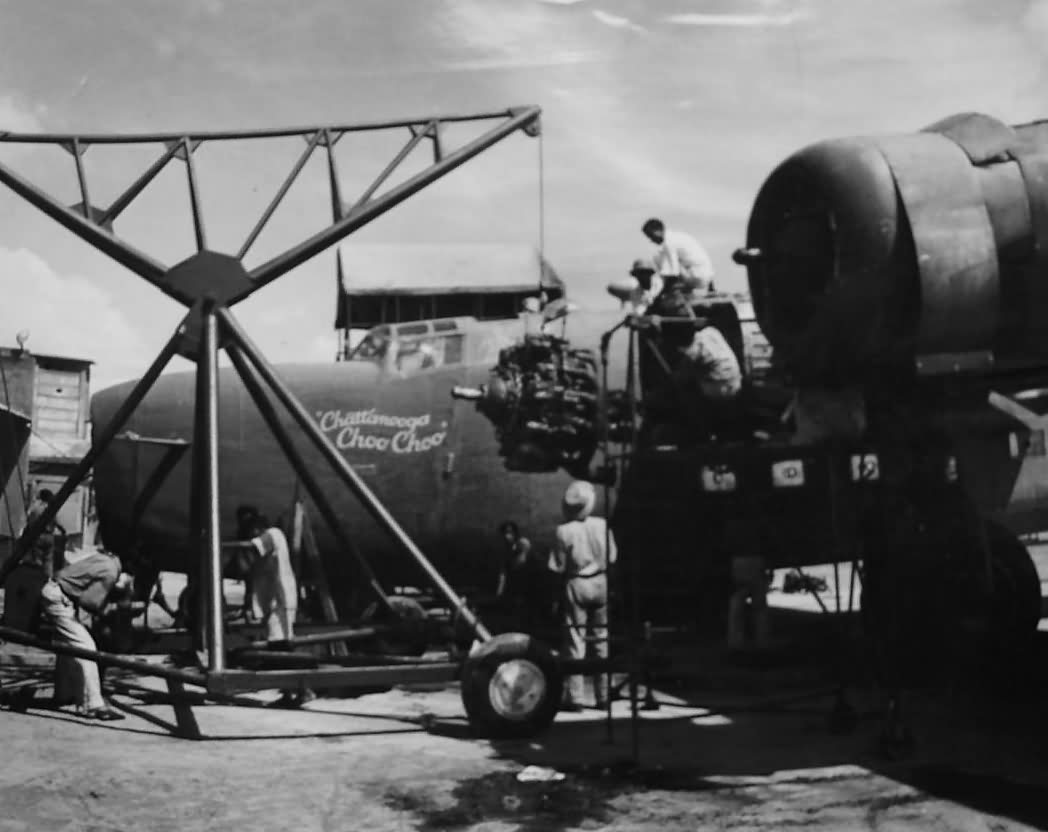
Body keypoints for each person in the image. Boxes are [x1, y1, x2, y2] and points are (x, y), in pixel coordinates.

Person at [548, 480, 617, 711]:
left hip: (576, 583)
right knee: (601, 638)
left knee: (574, 640)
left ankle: (575, 697)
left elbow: (557, 566)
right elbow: (613, 557)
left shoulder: (563, 531)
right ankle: (603, 695)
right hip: (600, 581)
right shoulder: (602, 525)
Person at [40, 549, 132, 720]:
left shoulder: (107, 559)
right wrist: (110, 607)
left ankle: (63, 695)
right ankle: (94, 706)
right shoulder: (112, 572)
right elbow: (89, 602)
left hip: (57, 592)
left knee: (67, 647)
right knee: (86, 648)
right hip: (59, 598)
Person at [236, 513, 313, 707]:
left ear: (257, 526)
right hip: (275, 600)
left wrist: (224, 546)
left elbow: (251, 549)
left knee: (281, 648)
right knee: (280, 647)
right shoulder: (270, 538)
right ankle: (290, 692)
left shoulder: (272, 534)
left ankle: (303, 689)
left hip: (281, 599)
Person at [668, 322, 743, 438]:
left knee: (684, 390)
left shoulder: (692, 353)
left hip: (720, 390)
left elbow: (680, 378)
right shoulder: (711, 332)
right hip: (735, 381)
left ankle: (701, 430)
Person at [494, 521, 546, 634]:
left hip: (528, 584)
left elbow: (521, 563)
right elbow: (503, 572)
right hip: (516, 586)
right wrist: (500, 592)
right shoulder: (506, 549)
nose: (507, 536)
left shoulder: (523, 544)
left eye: (510, 533)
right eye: (505, 533)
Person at [642, 217, 715, 296]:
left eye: (651, 236)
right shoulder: (677, 236)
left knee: (661, 263)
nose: (652, 240)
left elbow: (673, 274)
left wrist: (661, 294)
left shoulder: (669, 242)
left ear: (657, 231)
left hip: (697, 276)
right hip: (705, 274)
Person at [24, 488, 65, 577]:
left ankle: (38, 578)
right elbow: (58, 523)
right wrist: (63, 531)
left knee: (38, 558)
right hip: (49, 536)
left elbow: (30, 523)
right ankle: (48, 579)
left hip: (38, 536)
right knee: (49, 559)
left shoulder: (35, 509)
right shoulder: (52, 509)